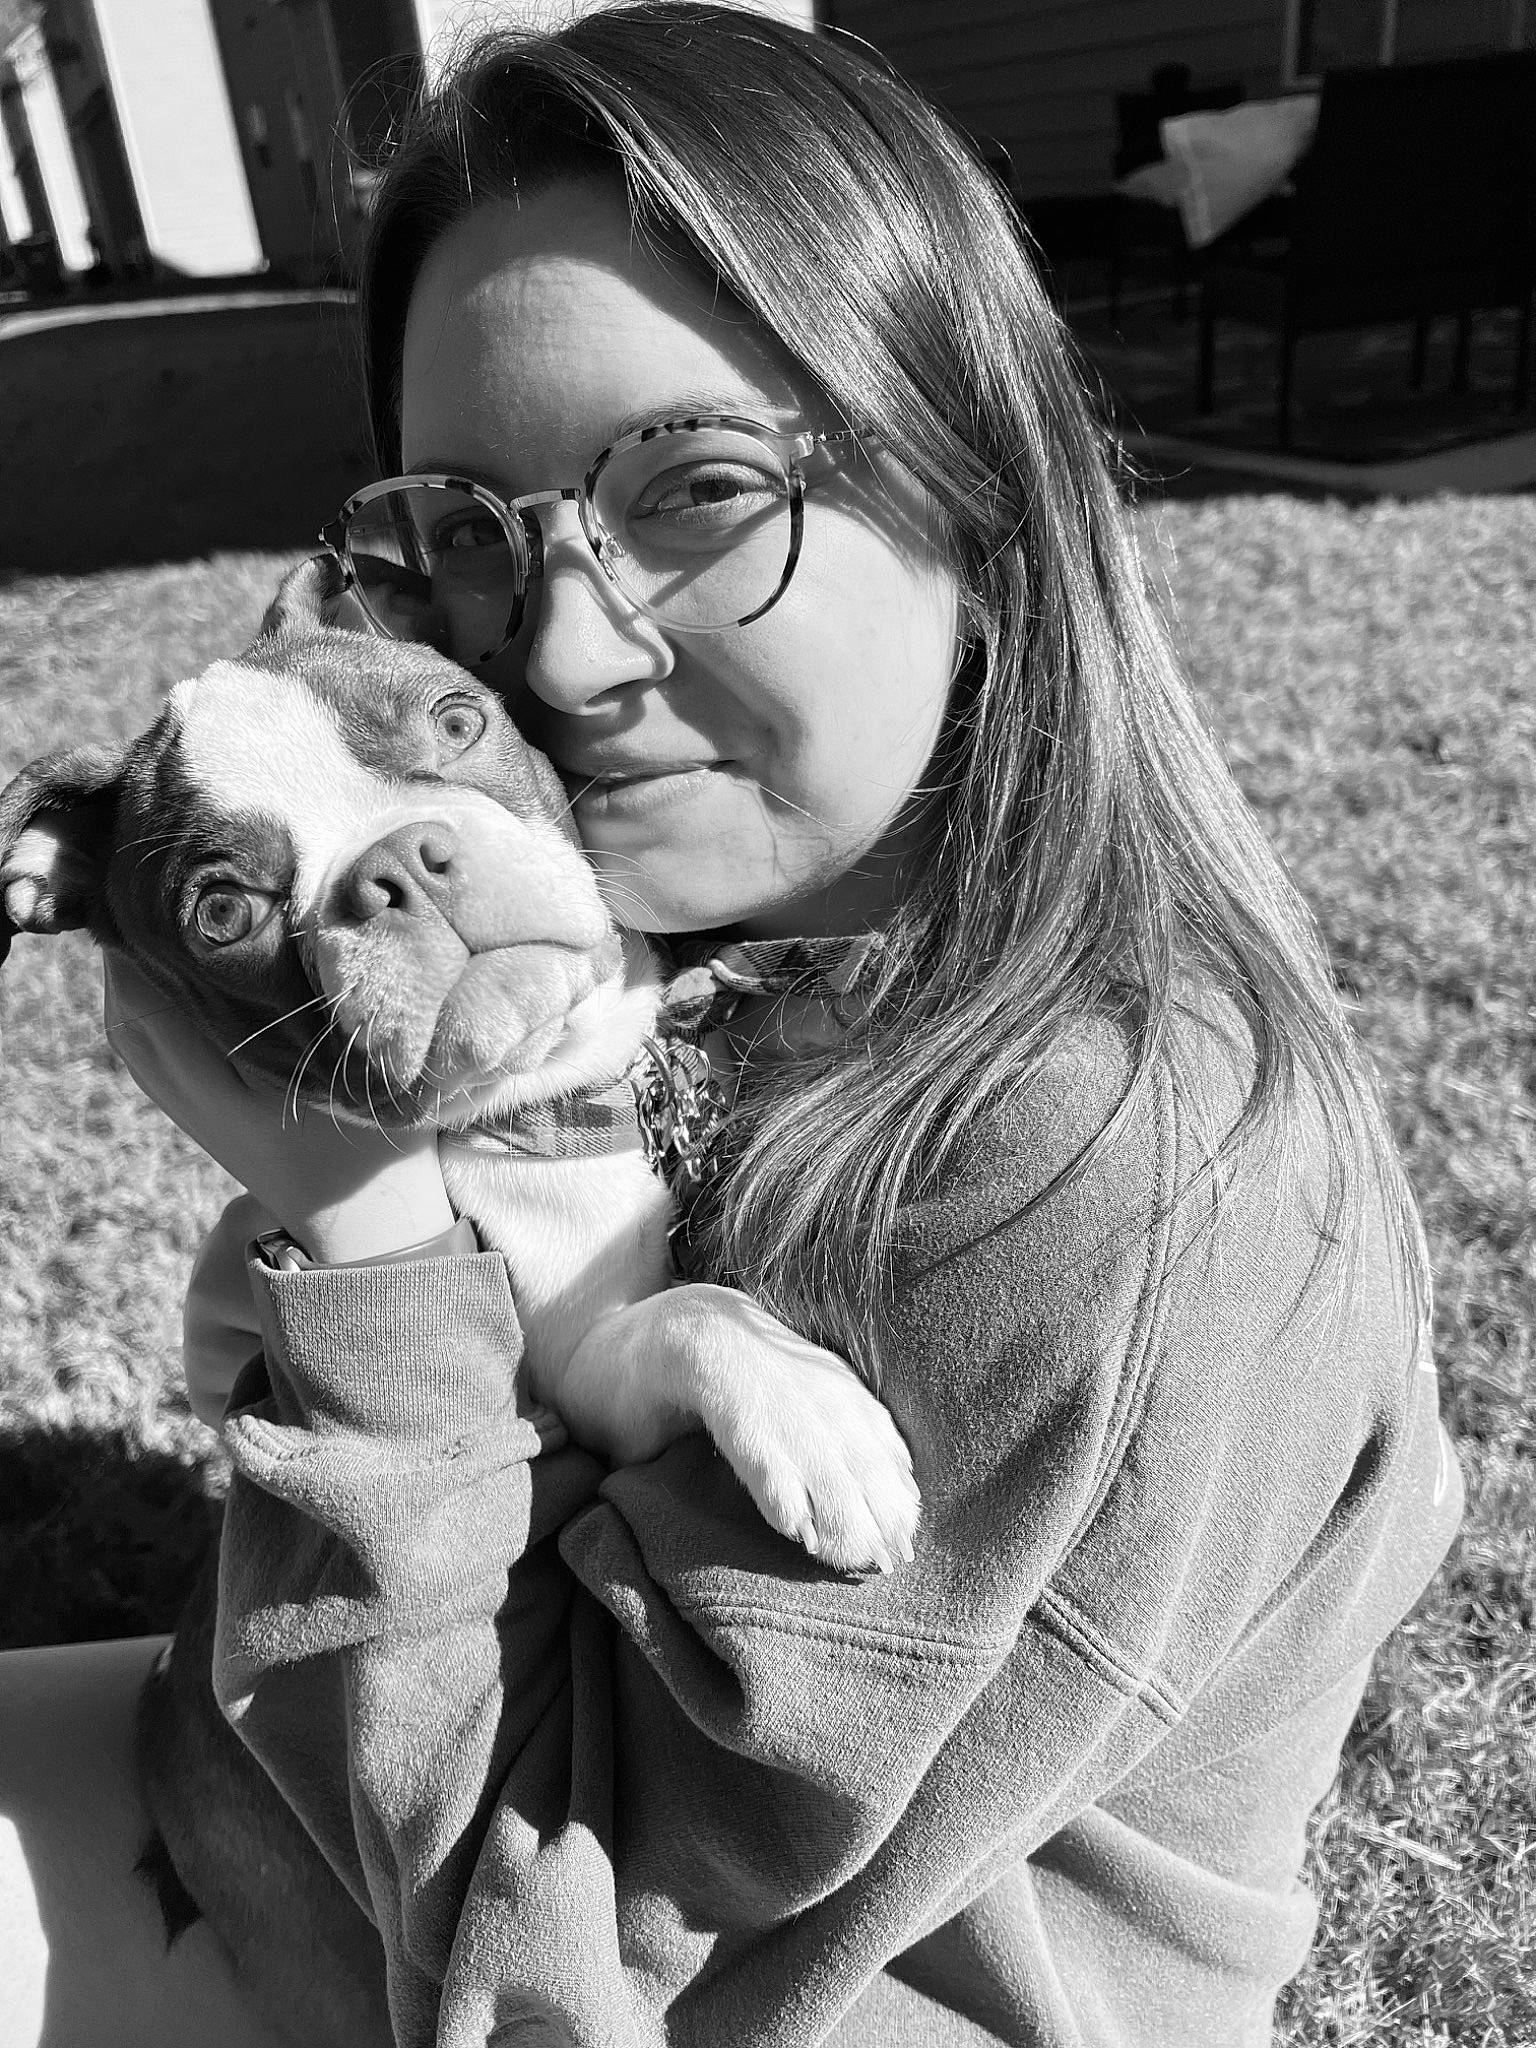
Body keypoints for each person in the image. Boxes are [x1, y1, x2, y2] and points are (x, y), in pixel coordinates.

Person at [0, 6, 1462, 2044]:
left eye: (693, 484)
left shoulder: (1103, 1161)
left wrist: (360, 1240)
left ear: (980, 465)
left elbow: (541, 1964)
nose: (571, 647)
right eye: (474, 542)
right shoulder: (774, 963)